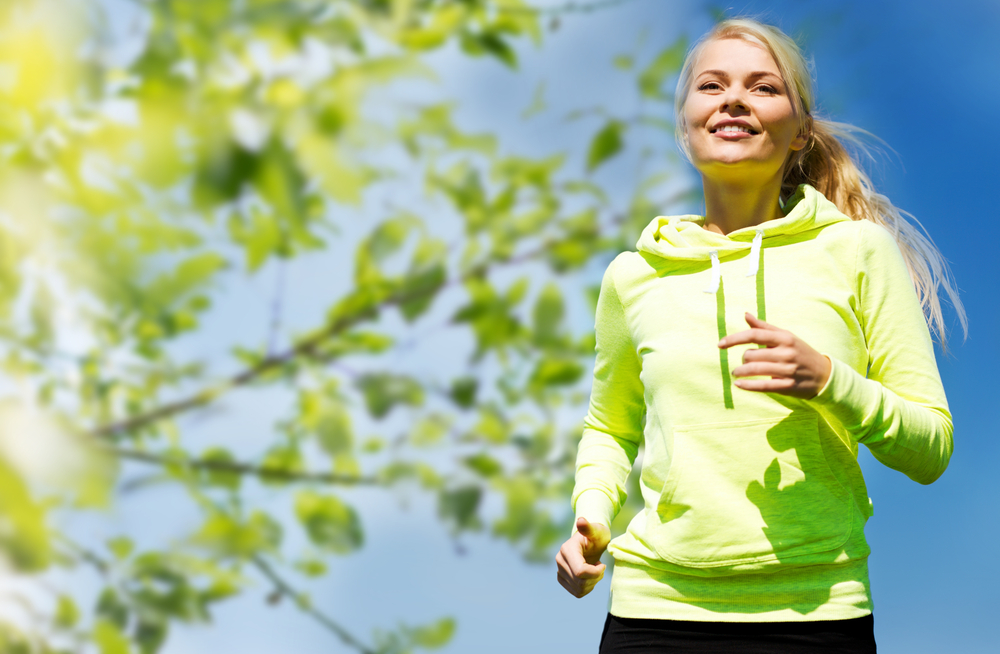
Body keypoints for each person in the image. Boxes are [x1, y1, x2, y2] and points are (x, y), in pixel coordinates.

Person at [555, 17, 965, 654]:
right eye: (711, 85)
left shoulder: (858, 252)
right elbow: (610, 428)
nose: (734, 99)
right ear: (685, 124)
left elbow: (931, 447)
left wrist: (831, 382)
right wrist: (592, 516)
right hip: (652, 614)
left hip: (819, 614)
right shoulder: (635, 275)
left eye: (763, 87)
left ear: (800, 129)